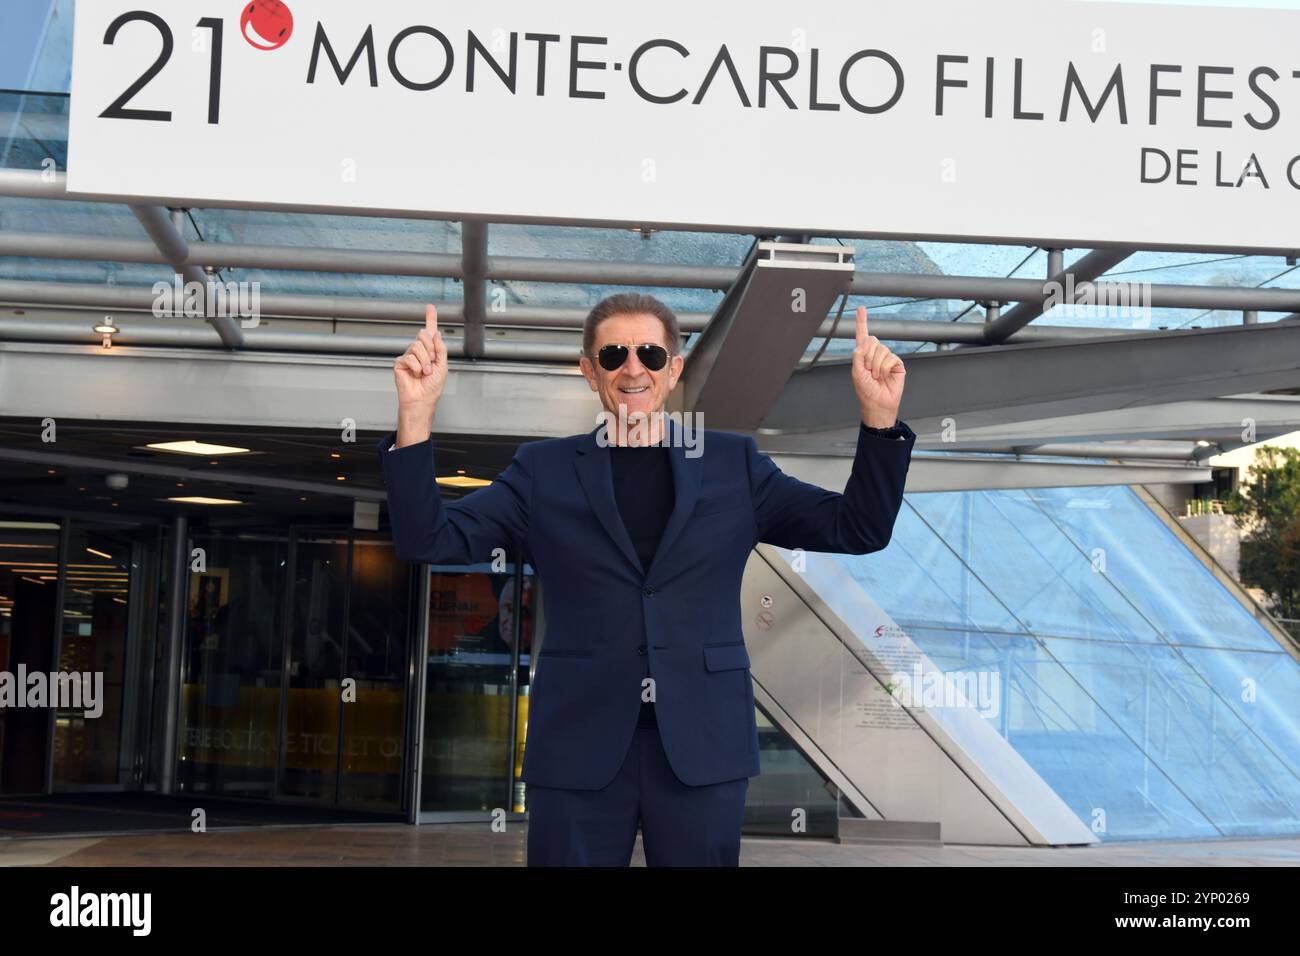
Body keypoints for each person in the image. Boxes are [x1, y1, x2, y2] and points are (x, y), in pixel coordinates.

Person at [376, 292, 915, 866]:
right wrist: (416, 416)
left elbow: (857, 528)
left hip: (702, 742)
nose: (633, 368)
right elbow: (427, 539)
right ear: (590, 372)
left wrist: (879, 422)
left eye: (650, 355)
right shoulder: (543, 471)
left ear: (674, 369)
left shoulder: (733, 465)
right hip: (579, 741)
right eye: (613, 355)